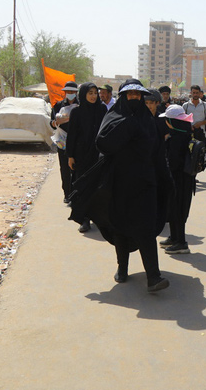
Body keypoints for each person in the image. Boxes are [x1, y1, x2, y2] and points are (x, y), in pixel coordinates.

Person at [69, 80, 170, 291]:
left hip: (145, 182)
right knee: (120, 227)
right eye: (130, 94)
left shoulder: (148, 121)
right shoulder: (114, 117)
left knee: (146, 227)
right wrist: (128, 125)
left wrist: (164, 178)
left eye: (137, 94)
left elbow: (157, 151)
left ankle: (153, 276)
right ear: (123, 97)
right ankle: (122, 267)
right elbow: (103, 143)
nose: (134, 97)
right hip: (119, 183)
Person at [66, 82, 107, 233]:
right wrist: (70, 155)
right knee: (82, 187)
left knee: (98, 187)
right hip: (81, 155)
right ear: (83, 94)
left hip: (98, 155)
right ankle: (84, 219)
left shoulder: (102, 109)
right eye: (90, 93)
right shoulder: (77, 112)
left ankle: (97, 217)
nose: (93, 96)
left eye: (95, 93)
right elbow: (72, 135)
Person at [159, 104, 197, 254]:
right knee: (174, 209)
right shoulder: (186, 133)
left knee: (178, 210)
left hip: (178, 179)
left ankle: (181, 242)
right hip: (184, 179)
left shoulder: (176, 138)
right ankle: (174, 237)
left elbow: (173, 163)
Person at [50, 81, 80, 203]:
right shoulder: (58, 105)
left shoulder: (80, 105)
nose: (70, 93)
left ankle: (75, 193)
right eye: (68, 91)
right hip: (62, 142)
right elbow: (52, 123)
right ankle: (67, 194)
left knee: (76, 169)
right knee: (64, 168)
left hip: (77, 142)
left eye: (72, 91)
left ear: (76, 93)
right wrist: (56, 122)